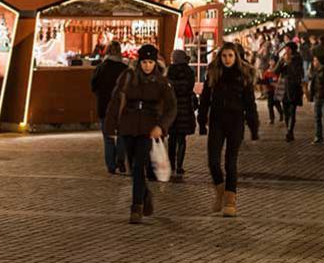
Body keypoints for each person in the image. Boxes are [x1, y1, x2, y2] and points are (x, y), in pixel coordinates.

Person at [105, 44, 177, 224]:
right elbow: (115, 100)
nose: (147, 66)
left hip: (148, 128)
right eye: (144, 62)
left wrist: (161, 126)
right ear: (139, 62)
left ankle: (136, 207)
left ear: (155, 63)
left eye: (150, 62)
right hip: (128, 126)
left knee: (139, 166)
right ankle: (145, 194)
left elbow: (171, 107)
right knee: (132, 165)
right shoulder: (128, 77)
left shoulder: (161, 82)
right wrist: (110, 127)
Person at [198, 42, 259, 217]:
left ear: (236, 57)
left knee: (230, 162)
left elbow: (250, 103)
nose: (227, 59)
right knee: (213, 161)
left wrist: (253, 126)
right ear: (220, 57)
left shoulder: (244, 76)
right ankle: (220, 191)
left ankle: (230, 200)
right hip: (216, 121)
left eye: (230, 55)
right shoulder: (213, 73)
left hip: (235, 122)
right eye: (224, 56)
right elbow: (204, 99)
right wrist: (202, 122)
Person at [91, 41, 129, 174]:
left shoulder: (101, 68)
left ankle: (111, 165)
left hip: (104, 106)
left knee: (108, 138)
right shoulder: (124, 68)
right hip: (121, 107)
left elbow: (94, 86)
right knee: (122, 136)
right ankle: (120, 160)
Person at [167, 49, 197, 180]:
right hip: (185, 108)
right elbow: (190, 88)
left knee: (172, 139)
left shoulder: (170, 71)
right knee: (182, 139)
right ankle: (179, 165)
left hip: (172, 108)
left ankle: (171, 164)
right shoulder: (189, 71)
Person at [276, 42, 304, 142]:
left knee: (292, 111)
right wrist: (281, 62)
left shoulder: (297, 58)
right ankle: (289, 131)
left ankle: (290, 131)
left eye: (287, 48)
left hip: (293, 87)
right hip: (284, 86)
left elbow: (298, 73)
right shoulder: (284, 58)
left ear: (292, 49)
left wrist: (289, 63)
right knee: (286, 112)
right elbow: (276, 71)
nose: (285, 50)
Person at [258, 56, 283, 124]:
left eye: (273, 61)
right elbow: (264, 80)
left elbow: (276, 80)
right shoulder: (267, 71)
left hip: (275, 90)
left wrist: (270, 81)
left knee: (277, 103)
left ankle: (281, 113)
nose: (271, 62)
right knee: (270, 105)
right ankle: (272, 119)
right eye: (270, 61)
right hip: (269, 90)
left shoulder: (276, 71)